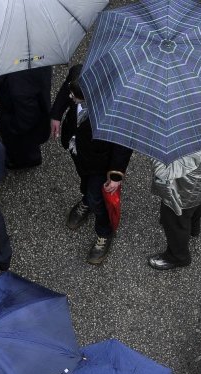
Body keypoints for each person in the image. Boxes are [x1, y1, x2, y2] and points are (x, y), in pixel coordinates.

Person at [50, 65, 133, 265]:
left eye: (76, 96)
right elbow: (65, 91)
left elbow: (123, 145)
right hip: (80, 149)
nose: (71, 96)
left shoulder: (115, 110)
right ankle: (86, 198)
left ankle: (104, 232)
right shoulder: (78, 76)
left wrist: (115, 176)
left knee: (98, 198)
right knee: (84, 179)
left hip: (100, 160)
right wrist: (56, 114)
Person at [148, 145, 201, 270]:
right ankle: (194, 229)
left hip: (184, 191)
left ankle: (178, 257)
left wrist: (154, 152)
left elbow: (164, 172)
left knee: (175, 221)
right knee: (197, 207)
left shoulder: (187, 148)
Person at [0, 67, 52, 170]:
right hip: (36, 112)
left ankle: (21, 162)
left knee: (20, 145)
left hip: (18, 120)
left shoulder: (19, 85)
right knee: (30, 142)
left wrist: (8, 124)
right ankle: (32, 157)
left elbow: (25, 119)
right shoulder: (41, 61)